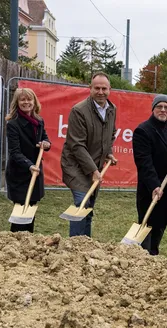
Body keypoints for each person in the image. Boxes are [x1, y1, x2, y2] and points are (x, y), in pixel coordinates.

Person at [60, 72, 118, 237]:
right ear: (90, 89)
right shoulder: (79, 111)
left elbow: (110, 134)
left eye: (104, 88)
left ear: (109, 89)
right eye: (97, 88)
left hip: (95, 166)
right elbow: (77, 145)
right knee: (81, 204)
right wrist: (93, 170)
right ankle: (74, 248)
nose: (101, 92)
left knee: (89, 207)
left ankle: (85, 244)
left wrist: (109, 153)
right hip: (76, 166)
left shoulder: (111, 109)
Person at [133, 94, 167, 255]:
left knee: (161, 222)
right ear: (153, 109)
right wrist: (154, 185)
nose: (163, 110)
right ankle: (144, 256)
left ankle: (154, 252)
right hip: (149, 186)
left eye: (166, 107)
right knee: (148, 221)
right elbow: (144, 162)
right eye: (159, 106)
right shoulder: (143, 130)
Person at [5, 88, 51, 232]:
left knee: (31, 211)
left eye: (29, 99)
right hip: (20, 173)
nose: (26, 102)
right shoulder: (13, 124)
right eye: (22, 99)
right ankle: (15, 244)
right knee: (20, 212)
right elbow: (14, 152)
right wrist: (29, 166)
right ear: (17, 103)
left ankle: (28, 244)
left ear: (34, 101)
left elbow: (45, 138)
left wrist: (46, 144)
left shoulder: (39, 121)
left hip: (35, 172)